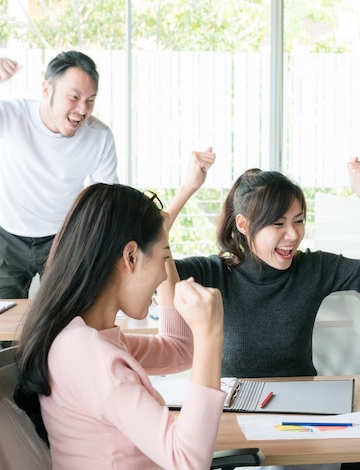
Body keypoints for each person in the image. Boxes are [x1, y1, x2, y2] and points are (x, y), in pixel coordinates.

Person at [14, 183, 226, 469]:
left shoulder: (85, 339)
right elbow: (187, 460)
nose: (165, 275)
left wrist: (161, 243)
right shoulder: (91, 357)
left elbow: (178, 349)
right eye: (164, 259)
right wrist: (210, 333)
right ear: (130, 257)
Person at [174, 158, 360, 379]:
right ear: (244, 225)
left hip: (301, 412)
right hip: (233, 413)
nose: (293, 235)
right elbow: (150, 269)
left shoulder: (314, 269)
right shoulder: (215, 273)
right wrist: (186, 190)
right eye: (278, 223)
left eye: (299, 221)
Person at [0, 51, 118, 353]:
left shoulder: (98, 136)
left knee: (67, 329)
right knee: (0, 335)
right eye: (73, 97)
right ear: (47, 90)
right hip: (5, 239)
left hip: (63, 242)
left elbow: (107, 200)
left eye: (90, 100)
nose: (82, 109)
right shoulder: (13, 116)